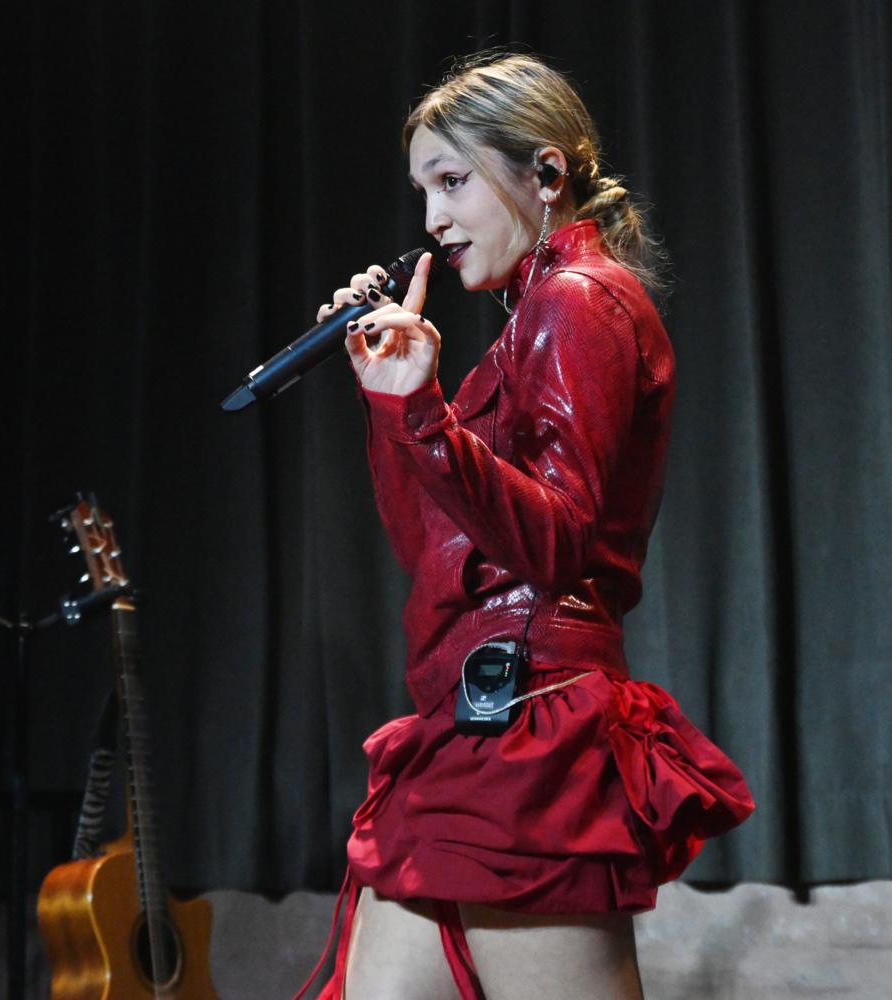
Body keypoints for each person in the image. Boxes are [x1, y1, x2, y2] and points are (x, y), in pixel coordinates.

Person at [307, 53, 754, 999]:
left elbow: (556, 545)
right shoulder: (529, 322)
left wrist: (426, 414)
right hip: (472, 719)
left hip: (526, 718)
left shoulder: (576, 299)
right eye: (424, 192)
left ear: (546, 173)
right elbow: (429, 553)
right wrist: (392, 401)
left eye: (452, 181)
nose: (434, 220)